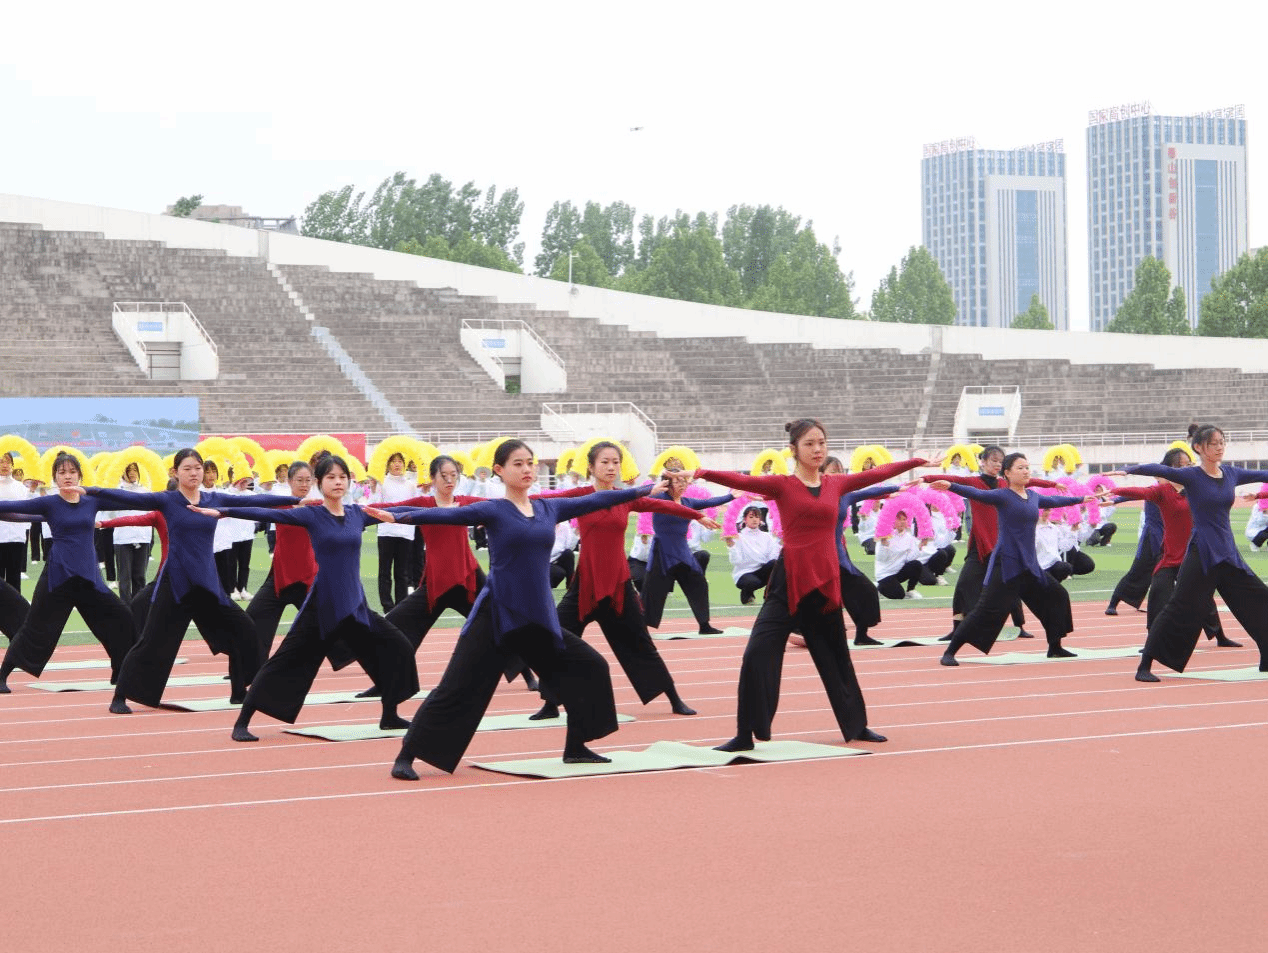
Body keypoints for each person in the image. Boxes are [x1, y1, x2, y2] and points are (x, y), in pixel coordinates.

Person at [387, 439, 658, 779]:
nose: (527, 469)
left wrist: (646, 489)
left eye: (530, 462)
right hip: (497, 615)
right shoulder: (494, 510)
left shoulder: (548, 508)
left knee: (590, 667)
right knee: (457, 687)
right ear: (499, 470)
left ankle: (576, 747)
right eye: (518, 464)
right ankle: (406, 756)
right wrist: (397, 515)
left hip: (537, 618)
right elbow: (447, 514)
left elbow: (598, 498)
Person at [688, 419, 931, 752]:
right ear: (794, 449)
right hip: (789, 580)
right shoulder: (782, 485)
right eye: (809, 444)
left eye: (822, 442)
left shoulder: (837, 484)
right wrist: (701, 473)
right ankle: (746, 733)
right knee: (758, 653)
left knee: (837, 657)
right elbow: (741, 480)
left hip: (825, 581)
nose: (818, 449)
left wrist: (917, 461)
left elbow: (878, 474)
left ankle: (857, 726)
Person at [193, 454, 419, 741]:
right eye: (331, 477)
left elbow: (397, 508)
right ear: (319, 483)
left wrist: (434, 508)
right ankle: (242, 721)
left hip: (355, 606)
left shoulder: (357, 514)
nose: (338, 482)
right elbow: (268, 514)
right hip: (322, 606)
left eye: (342, 477)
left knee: (396, 647)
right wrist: (223, 511)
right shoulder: (312, 514)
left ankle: (389, 715)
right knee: (284, 662)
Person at [83, 448, 297, 713]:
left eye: (198, 468)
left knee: (243, 630)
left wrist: (294, 500)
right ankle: (120, 696)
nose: (194, 473)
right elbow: (127, 497)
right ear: (176, 472)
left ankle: (239, 691)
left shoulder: (214, 499)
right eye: (187, 468)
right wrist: (90, 491)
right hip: (176, 583)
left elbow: (257, 501)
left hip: (206, 583)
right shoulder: (167, 500)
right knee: (151, 642)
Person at [537, 440, 713, 719]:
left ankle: (674, 699)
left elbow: (662, 505)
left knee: (641, 643)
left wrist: (696, 515)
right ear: (591, 467)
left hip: (619, 586)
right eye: (604, 462)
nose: (611, 467)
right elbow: (545, 499)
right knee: (555, 639)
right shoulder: (580, 495)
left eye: (615, 462)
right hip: (585, 586)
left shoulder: (625, 497)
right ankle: (550, 703)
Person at [1123, 426, 1268, 676]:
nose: (1220, 447)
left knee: (1259, 599)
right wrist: (1128, 470)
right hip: (1202, 553)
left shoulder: (1231, 473)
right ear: (1199, 447)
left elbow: (1263, 473)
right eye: (1214, 443)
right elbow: (1161, 470)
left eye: (1222, 442)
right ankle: (1145, 665)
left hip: (1228, 554)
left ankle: (1266, 654)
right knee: (1180, 607)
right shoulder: (1192, 475)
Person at [932, 454, 1091, 665]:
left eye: (1027, 467)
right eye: (1020, 468)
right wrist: (952, 486)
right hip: (1007, 563)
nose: (1026, 471)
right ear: (1007, 473)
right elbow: (976, 493)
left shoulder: (1033, 496)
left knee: (1057, 596)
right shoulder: (1003, 495)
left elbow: (1054, 500)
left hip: (1029, 564)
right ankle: (950, 652)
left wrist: (1081, 499)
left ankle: (1055, 647)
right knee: (987, 610)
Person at [0, 453, 135, 693]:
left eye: (72, 472)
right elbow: (9, 507)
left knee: (122, 618)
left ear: (80, 475)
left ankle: (119, 669)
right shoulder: (49, 503)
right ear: (55, 478)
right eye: (62, 473)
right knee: (35, 628)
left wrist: (92, 489)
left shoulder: (92, 501)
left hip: (89, 578)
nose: (68, 477)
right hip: (58, 578)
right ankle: (2, 675)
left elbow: (127, 499)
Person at [1106, 449, 1238, 683]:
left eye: (1189, 463)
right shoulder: (1162, 491)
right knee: (1159, 604)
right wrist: (1115, 491)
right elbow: (1140, 492)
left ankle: (1220, 635)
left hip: (1194, 558)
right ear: (1169, 469)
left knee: (1205, 599)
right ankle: (1145, 665)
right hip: (1169, 559)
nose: (1187, 468)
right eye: (1181, 465)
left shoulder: (1196, 489)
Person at [921, 446, 1049, 642]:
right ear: (982, 462)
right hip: (980, 543)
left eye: (1000, 462)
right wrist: (925, 478)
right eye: (993, 461)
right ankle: (957, 629)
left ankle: (1019, 626)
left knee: (1011, 584)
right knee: (964, 585)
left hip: (1002, 543)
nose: (997, 465)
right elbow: (952, 480)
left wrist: (1053, 484)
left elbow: (1032, 482)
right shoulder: (974, 482)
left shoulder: (1005, 484)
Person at [244, 461, 318, 664]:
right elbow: (252, 505)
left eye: (308, 480)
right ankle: (250, 666)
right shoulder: (280, 503)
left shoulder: (318, 507)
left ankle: (357, 655)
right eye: (299, 480)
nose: (304, 484)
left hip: (307, 578)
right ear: (289, 481)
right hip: (280, 577)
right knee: (253, 618)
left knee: (329, 621)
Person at [641, 471, 731, 635]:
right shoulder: (659, 499)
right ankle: (641, 628)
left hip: (682, 552)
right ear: (667, 484)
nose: (682, 484)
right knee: (652, 590)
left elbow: (710, 502)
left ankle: (704, 625)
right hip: (662, 551)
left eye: (684, 481)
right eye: (677, 481)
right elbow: (644, 497)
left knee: (698, 583)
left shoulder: (688, 502)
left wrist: (731, 496)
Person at [372, 452, 417, 612]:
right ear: (388, 464)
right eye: (393, 461)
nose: (397, 464)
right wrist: (374, 488)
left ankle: (400, 607)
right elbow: (375, 505)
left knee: (402, 573)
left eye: (400, 461)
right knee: (385, 572)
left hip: (405, 533)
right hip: (386, 532)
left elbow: (417, 505)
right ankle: (387, 606)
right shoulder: (382, 483)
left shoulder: (411, 485)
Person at [111, 462, 153, 605]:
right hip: (123, 538)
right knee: (124, 578)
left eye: (135, 470)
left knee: (139, 577)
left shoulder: (144, 490)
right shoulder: (117, 491)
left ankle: (138, 609)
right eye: (129, 470)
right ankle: (125, 610)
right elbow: (111, 514)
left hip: (142, 537)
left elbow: (151, 513)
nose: (133, 473)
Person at [727, 505, 781, 605]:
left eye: (757, 517)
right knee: (752, 582)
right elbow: (736, 561)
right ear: (745, 520)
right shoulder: (738, 537)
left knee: (776, 564)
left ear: (760, 520)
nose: (754, 520)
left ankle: (769, 595)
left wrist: (779, 544)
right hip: (744, 573)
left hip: (761, 571)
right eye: (751, 517)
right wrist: (731, 547)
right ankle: (746, 595)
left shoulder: (767, 536)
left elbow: (772, 557)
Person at [0, 452, 30, 593]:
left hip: (16, 538)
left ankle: (16, 608)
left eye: (7, 462)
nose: (4, 465)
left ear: (12, 465)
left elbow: (27, 512)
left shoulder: (21, 488)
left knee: (14, 580)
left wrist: (24, 531)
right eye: (1, 462)